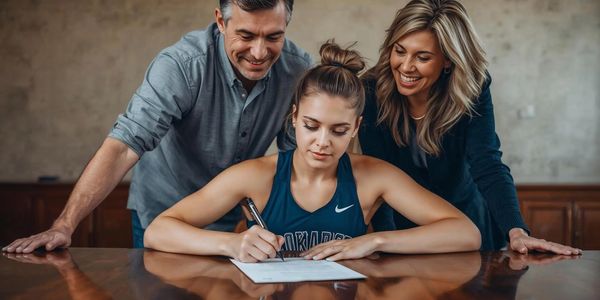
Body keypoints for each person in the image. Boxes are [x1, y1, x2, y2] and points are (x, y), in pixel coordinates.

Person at [2, 0, 311, 253]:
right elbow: (123, 147)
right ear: (220, 21)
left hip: (234, 219)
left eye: (273, 37)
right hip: (164, 216)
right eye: (245, 35)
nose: (259, 53)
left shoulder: (297, 70)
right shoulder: (182, 65)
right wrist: (64, 225)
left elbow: (293, 164)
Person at [143, 41, 481, 262]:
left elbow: (466, 233)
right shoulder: (257, 175)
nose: (322, 142)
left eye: (338, 131)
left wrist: (375, 242)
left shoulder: (373, 176)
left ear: (356, 128)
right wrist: (229, 244)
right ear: (293, 119)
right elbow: (158, 230)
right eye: (311, 125)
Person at [358, 0, 581, 254]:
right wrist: (386, 244)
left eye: (422, 57)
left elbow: (487, 163)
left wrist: (516, 231)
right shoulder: (371, 92)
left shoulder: (472, 89)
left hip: (467, 224)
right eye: (399, 51)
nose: (406, 66)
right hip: (405, 229)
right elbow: (378, 174)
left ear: (448, 61)